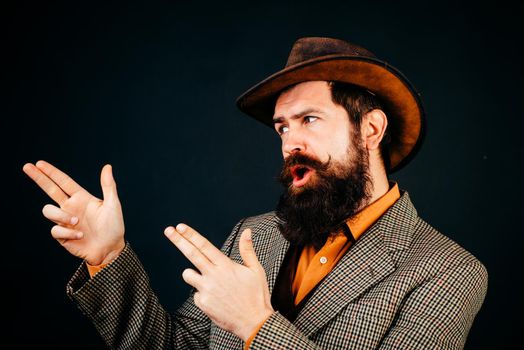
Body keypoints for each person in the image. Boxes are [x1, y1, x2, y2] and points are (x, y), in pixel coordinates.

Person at [23, 37, 487, 349]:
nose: (290, 144)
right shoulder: (254, 235)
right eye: (282, 127)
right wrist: (109, 256)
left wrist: (256, 327)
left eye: (309, 119)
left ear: (371, 128)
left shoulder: (449, 272)